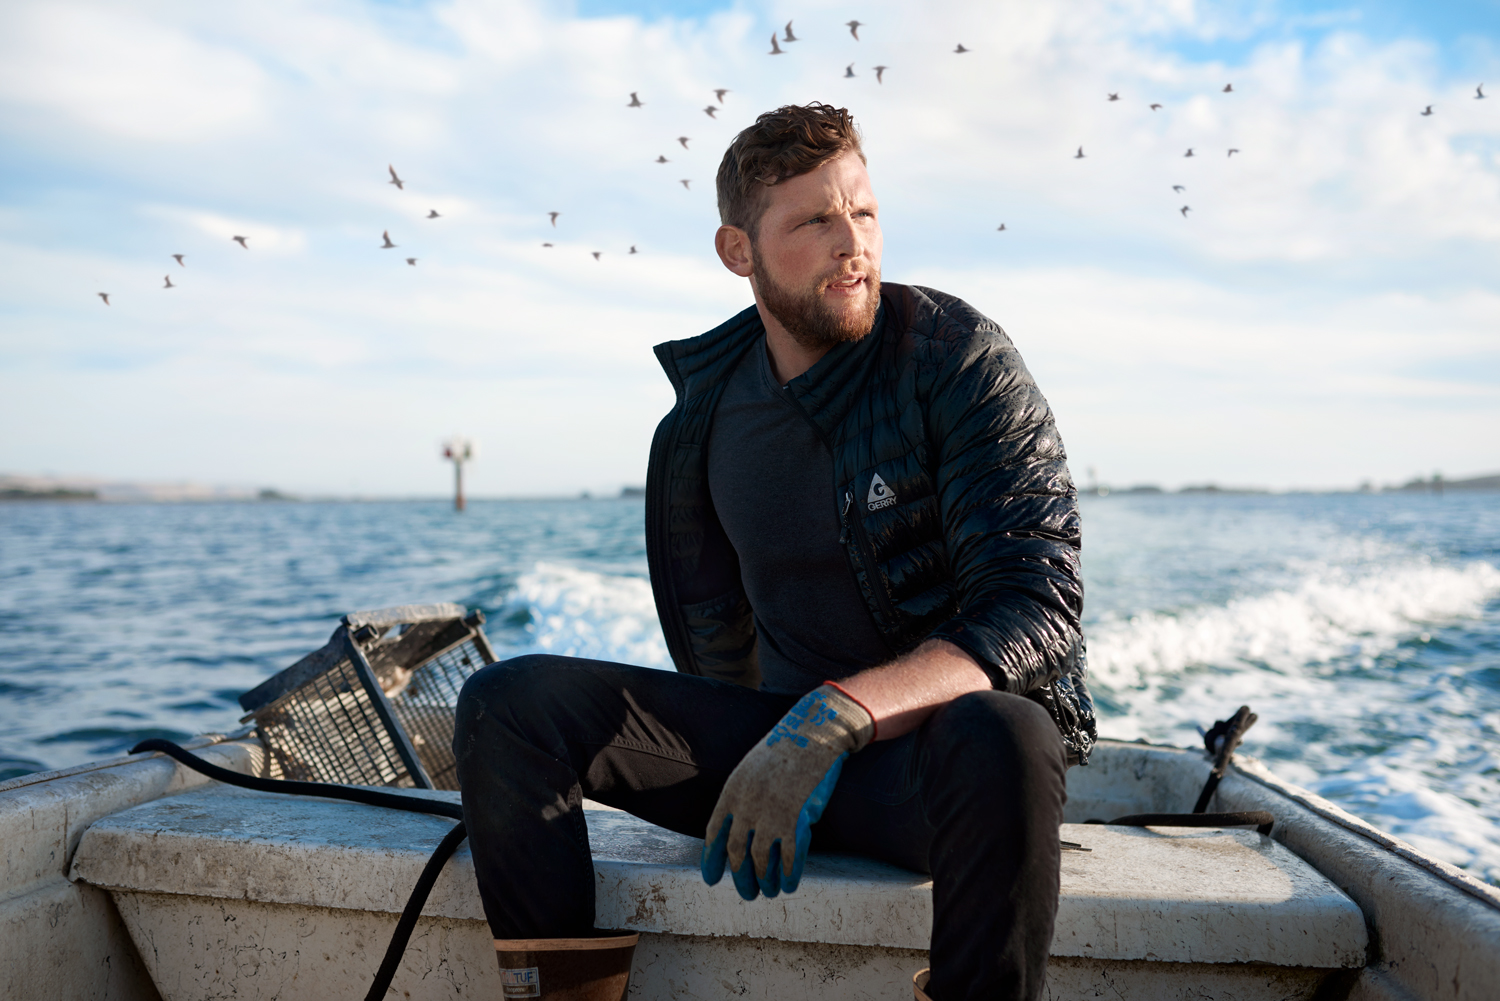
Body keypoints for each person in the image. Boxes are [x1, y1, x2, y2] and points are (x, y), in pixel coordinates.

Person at [455, 102, 1095, 1001]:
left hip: (929, 775)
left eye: (864, 212)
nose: (853, 243)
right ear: (738, 251)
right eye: (815, 220)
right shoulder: (701, 423)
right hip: (772, 759)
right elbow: (713, 636)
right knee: (508, 704)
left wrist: (830, 721)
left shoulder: (958, 360)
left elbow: (1037, 607)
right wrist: (776, 739)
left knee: (1011, 730)